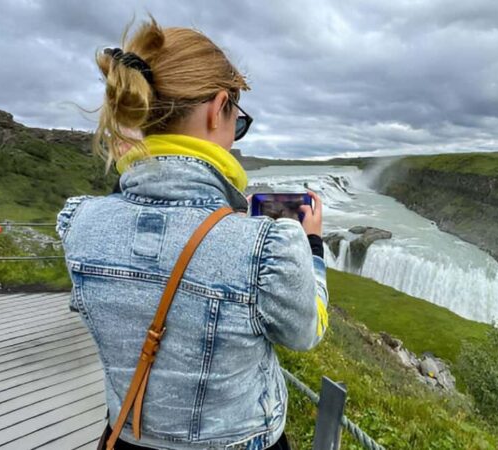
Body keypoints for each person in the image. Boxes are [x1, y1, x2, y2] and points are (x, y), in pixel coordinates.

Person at [56, 17, 328, 450]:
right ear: (217, 107)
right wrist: (311, 245)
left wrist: (140, 159)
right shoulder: (267, 246)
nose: (234, 138)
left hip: (125, 435)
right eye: (237, 123)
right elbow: (306, 332)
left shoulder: (79, 223)